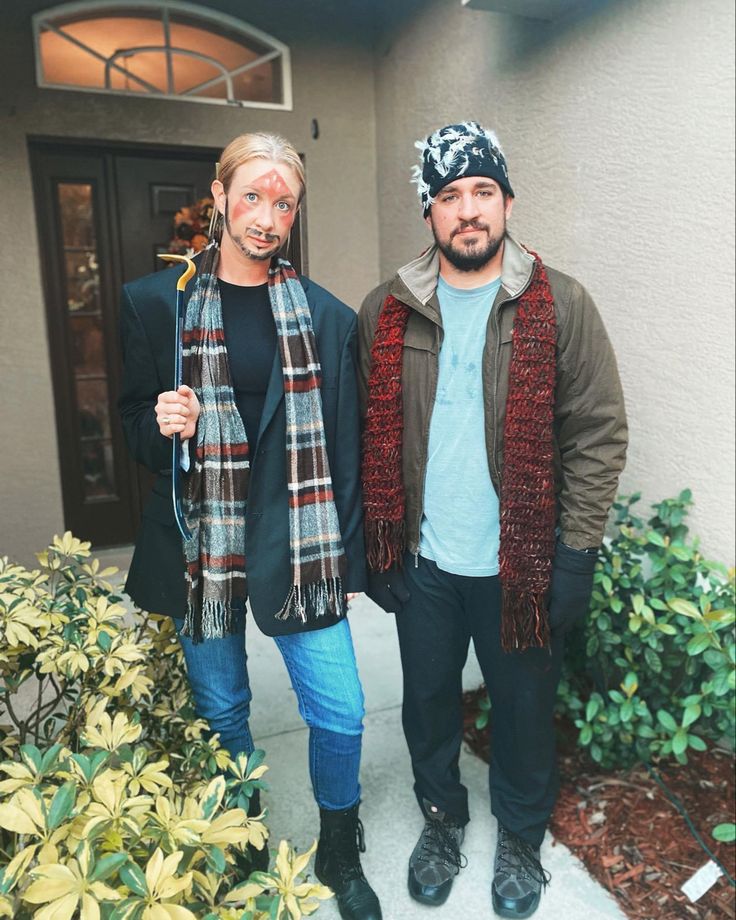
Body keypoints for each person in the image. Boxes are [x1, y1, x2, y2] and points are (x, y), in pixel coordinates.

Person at [358, 121, 627, 918]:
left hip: (522, 566)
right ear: (430, 212)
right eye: (449, 196)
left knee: (520, 711)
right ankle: (441, 820)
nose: (467, 211)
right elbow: (365, 435)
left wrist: (574, 554)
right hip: (427, 562)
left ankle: (520, 834)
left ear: (507, 200)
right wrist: (378, 551)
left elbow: (598, 432)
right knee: (430, 704)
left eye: (482, 192)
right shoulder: (390, 309)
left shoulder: (562, 302)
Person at [118, 132, 381, 920]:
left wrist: (349, 561)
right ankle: (243, 835)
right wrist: (159, 422)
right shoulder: (154, 304)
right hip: (204, 543)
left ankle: (339, 843)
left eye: (285, 203)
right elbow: (132, 421)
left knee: (341, 708)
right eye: (255, 196)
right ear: (221, 195)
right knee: (224, 709)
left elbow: (347, 445)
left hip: (298, 543)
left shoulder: (327, 318)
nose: (268, 217)